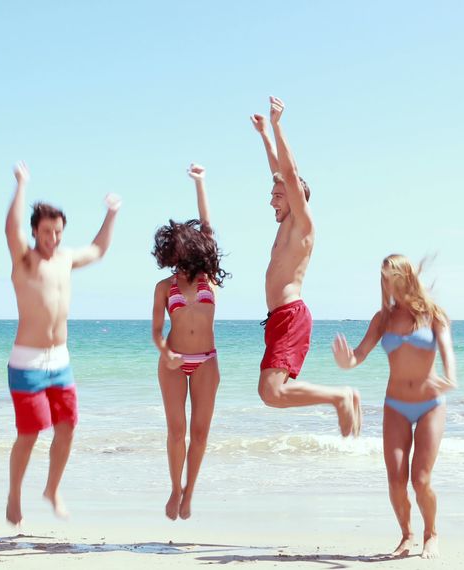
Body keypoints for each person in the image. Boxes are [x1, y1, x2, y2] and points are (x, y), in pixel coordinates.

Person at [3, 161, 121, 526]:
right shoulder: (25, 260)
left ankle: (52, 489)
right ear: (35, 232)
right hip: (27, 362)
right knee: (30, 432)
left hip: (60, 360)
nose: (52, 239)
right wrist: (22, 185)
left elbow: (99, 250)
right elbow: (11, 227)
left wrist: (111, 213)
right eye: (46, 233)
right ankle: (14, 494)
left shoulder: (66, 259)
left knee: (67, 427)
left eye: (57, 233)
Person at [331, 254, 458, 559]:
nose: (388, 284)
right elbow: (358, 355)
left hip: (430, 404)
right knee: (396, 481)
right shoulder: (383, 319)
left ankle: (431, 533)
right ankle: (407, 535)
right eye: (384, 278)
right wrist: (346, 361)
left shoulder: (432, 314)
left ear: (406, 276)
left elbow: (447, 351)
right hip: (396, 406)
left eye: (392, 277)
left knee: (421, 479)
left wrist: (450, 377)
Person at [249, 96, 359, 436]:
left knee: (272, 391)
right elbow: (279, 172)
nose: (271, 200)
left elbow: (290, 174)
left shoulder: (303, 225)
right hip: (278, 318)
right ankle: (339, 397)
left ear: (296, 198)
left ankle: (341, 397)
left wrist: (279, 126)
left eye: (278, 197)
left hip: (291, 315)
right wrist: (264, 134)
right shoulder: (285, 225)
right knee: (269, 393)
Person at [150, 163, 230, 520]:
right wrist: (165, 352)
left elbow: (208, 226)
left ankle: (190, 492)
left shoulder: (208, 277)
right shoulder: (163, 288)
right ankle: (173, 487)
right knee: (176, 431)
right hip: (173, 360)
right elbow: (155, 330)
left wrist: (201, 183)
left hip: (207, 362)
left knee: (199, 433)